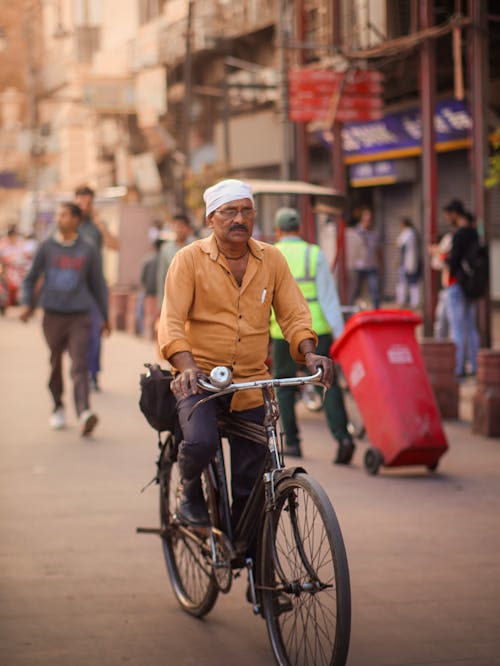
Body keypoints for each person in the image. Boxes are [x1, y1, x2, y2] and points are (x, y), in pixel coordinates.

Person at [157, 178, 334, 529]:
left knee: (253, 481)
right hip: (201, 380)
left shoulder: (272, 259)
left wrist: (309, 353)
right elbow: (171, 322)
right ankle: (189, 489)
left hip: (251, 381)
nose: (239, 219)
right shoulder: (188, 260)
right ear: (211, 218)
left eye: (246, 211)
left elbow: (294, 314)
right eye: (229, 212)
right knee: (201, 443)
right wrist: (187, 366)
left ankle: (247, 549)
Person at [269, 207, 356, 464]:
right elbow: (329, 297)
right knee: (327, 381)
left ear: (278, 230)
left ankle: (293, 442)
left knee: (283, 386)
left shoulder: (271, 254)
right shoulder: (313, 253)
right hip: (318, 329)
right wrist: (341, 335)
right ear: (299, 229)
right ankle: (343, 438)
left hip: (281, 332)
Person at [19, 203, 110, 435]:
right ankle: (58, 406)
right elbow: (31, 278)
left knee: (79, 364)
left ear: (76, 220)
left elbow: (98, 285)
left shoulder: (88, 249)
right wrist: (26, 303)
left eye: (65, 215)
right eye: (58, 214)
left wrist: (105, 317)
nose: (59, 218)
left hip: (79, 315)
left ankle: (84, 412)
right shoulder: (47, 246)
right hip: (52, 315)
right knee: (55, 362)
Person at [74, 185, 119, 391]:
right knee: (75, 335)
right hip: (72, 288)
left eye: (88, 202)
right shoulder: (69, 224)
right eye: (81, 202)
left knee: (96, 330)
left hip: (95, 285)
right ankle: (79, 370)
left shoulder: (96, 225)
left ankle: (93, 374)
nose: (84, 206)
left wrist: (100, 224)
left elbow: (115, 246)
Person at [445, 207, 480, 378]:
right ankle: (475, 366)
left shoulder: (459, 235)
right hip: (471, 287)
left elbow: (453, 262)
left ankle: (458, 368)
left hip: (457, 285)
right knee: (471, 328)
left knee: (457, 328)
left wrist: (448, 263)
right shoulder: (475, 235)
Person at [429, 199, 462, 338]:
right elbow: (436, 263)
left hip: (454, 285)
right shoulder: (451, 236)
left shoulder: (456, 237)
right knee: (443, 323)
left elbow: (445, 261)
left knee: (455, 325)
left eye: (448, 216)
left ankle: (457, 357)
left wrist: (437, 252)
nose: (446, 219)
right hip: (449, 286)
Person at [156, 214, 195, 310]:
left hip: (192, 295)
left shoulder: (195, 247)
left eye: (182, 226)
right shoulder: (166, 249)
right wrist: (161, 302)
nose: (179, 229)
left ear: (188, 228)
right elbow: (162, 276)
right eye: (176, 226)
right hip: (173, 295)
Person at [349, 207, 382, 309]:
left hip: (371, 265)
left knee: (374, 290)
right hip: (358, 266)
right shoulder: (356, 232)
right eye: (366, 218)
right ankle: (351, 311)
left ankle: (377, 312)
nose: (368, 221)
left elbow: (378, 250)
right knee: (355, 290)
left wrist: (380, 264)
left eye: (370, 219)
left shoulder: (374, 234)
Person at [0, 223, 33, 310]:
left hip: (19, 269)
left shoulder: (20, 243)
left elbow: (27, 256)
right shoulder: (3, 244)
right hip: (6, 269)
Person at [395, 217, 421, 309]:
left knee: (410, 283)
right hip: (408, 263)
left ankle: (411, 302)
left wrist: (399, 260)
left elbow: (399, 244)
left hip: (408, 263)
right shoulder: (412, 233)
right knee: (407, 283)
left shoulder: (408, 233)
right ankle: (409, 301)